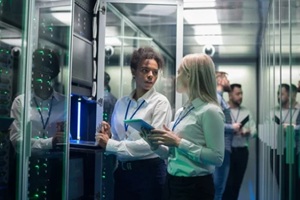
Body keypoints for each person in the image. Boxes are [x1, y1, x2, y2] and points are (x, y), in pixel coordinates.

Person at [95, 47, 173, 200]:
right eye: (145, 70)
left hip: (149, 174)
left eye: (155, 72)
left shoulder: (160, 103)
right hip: (122, 174)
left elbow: (150, 145)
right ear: (133, 71)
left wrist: (110, 144)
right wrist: (109, 135)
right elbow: (118, 138)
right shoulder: (121, 103)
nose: (150, 76)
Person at [144, 53, 225, 200]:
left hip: (195, 188)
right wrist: (154, 144)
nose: (176, 77)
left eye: (179, 72)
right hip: (172, 183)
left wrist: (178, 142)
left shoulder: (210, 111)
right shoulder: (183, 111)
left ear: (190, 76)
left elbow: (217, 158)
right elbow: (171, 154)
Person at [10, 48, 66, 150]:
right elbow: (17, 141)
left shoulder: (65, 103)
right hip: (28, 163)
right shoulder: (21, 102)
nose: (40, 77)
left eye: (45, 73)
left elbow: (72, 138)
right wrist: (50, 142)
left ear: (53, 75)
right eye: (36, 71)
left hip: (58, 163)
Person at [223, 83, 257, 200]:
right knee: (226, 184)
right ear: (230, 95)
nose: (241, 96)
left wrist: (247, 131)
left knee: (236, 184)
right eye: (238, 94)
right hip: (226, 152)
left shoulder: (246, 112)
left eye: (241, 93)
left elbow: (254, 131)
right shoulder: (223, 110)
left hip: (242, 152)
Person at [269, 83, 300, 200]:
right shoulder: (273, 112)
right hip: (277, 150)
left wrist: (290, 128)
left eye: (281, 94)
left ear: (290, 95)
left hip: (292, 149)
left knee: (293, 184)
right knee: (281, 184)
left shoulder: (298, 110)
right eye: (277, 94)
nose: (278, 97)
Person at [213, 71, 236, 200]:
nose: (229, 82)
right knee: (218, 188)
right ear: (220, 81)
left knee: (218, 188)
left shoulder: (219, 97)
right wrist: (232, 127)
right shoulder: (217, 98)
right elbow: (215, 124)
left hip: (223, 147)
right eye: (227, 79)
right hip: (221, 148)